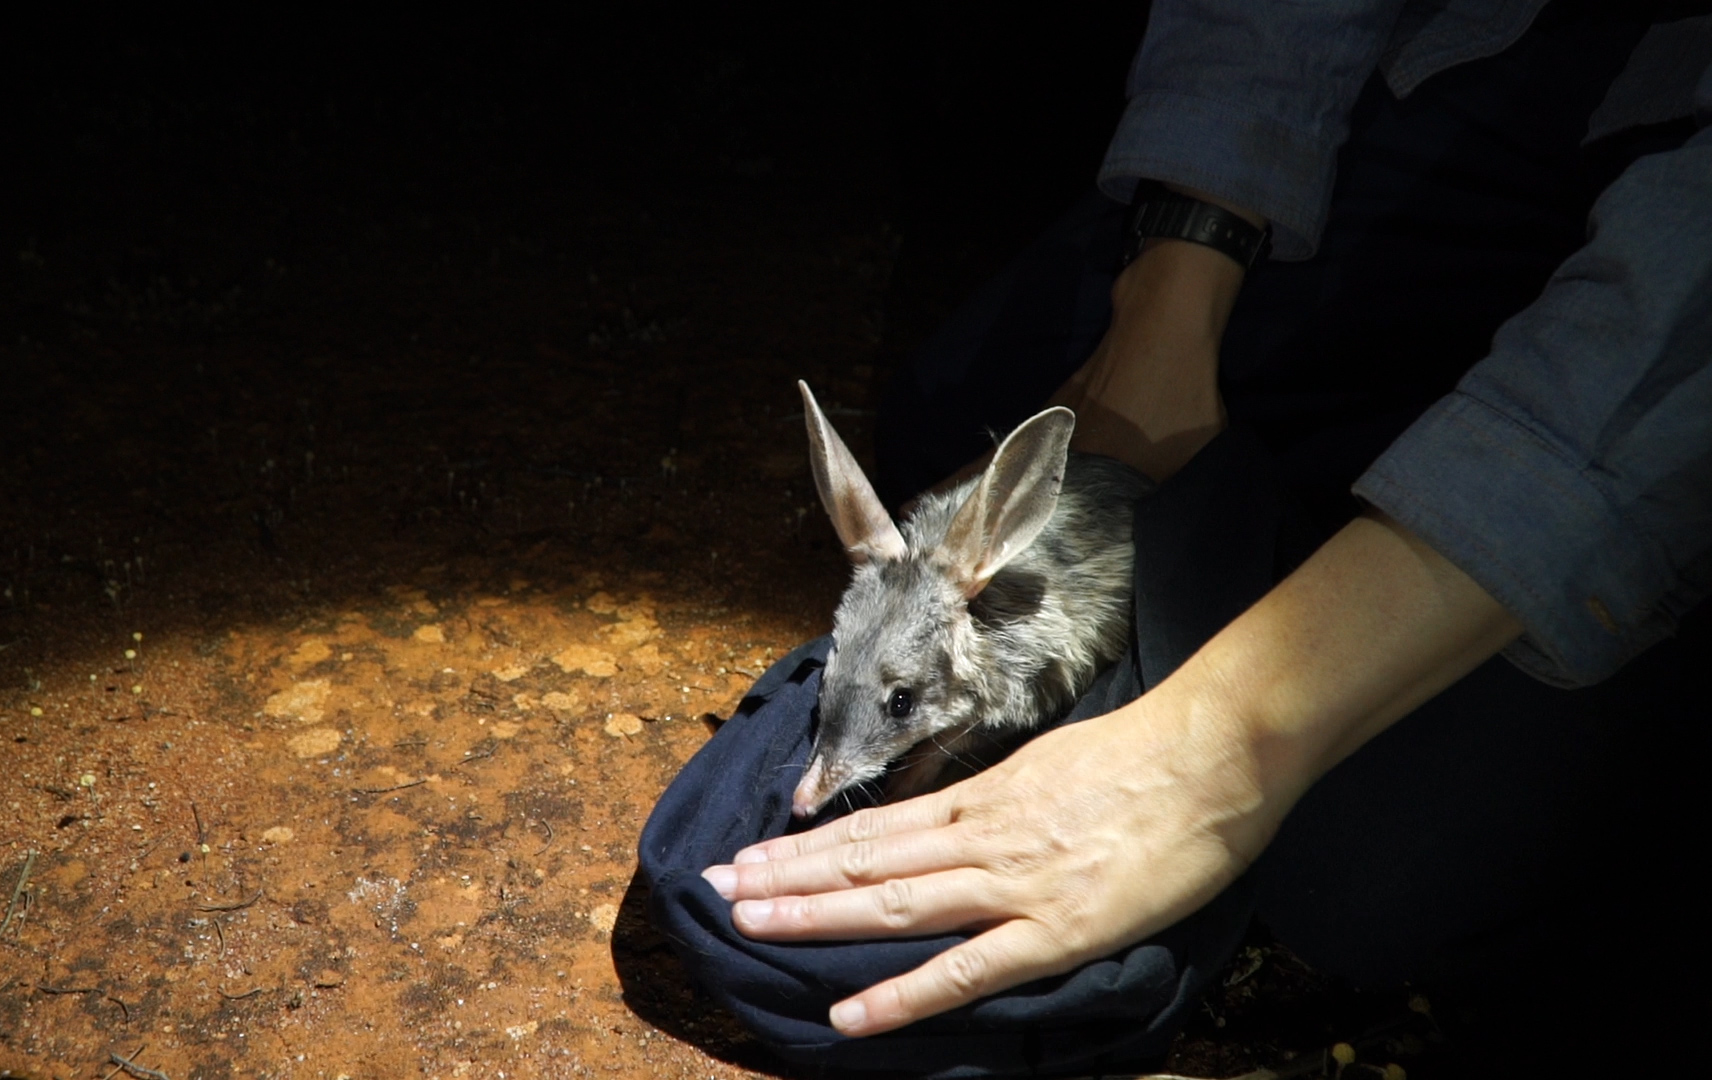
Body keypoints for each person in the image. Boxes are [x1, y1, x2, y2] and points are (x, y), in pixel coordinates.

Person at [699, 0, 1711, 1047]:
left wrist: (1227, 747)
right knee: (952, 407)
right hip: (1491, 52)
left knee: (1365, 875)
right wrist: (1179, 285)